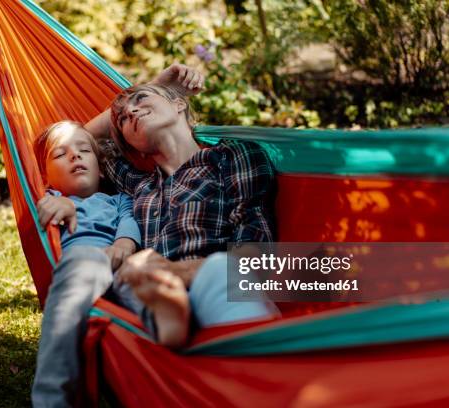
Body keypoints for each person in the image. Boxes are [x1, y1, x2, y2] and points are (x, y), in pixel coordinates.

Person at [32, 64, 279, 408]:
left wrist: (178, 272)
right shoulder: (138, 185)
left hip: (211, 278)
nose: (130, 111)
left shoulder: (232, 156)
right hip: (145, 298)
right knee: (121, 274)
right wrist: (155, 87)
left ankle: (266, 386)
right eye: (123, 119)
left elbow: (257, 257)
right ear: (133, 146)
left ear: (180, 104)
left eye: (141, 101)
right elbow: (79, 141)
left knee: (220, 270)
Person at [31, 121, 142, 408]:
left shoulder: (119, 200)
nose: (75, 156)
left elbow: (129, 223)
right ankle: (52, 399)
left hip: (121, 265)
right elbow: (45, 210)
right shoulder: (53, 198)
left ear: (101, 168)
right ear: (46, 177)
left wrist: (123, 246)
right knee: (84, 261)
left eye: (83, 150)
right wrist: (64, 205)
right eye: (60, 154)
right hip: (83, 265)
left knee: (156, 297)